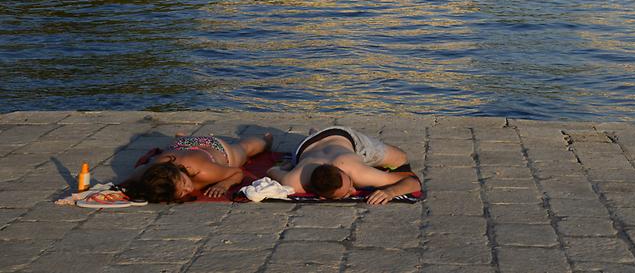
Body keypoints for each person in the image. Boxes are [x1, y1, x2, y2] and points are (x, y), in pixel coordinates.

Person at [267, 127, 421, 205]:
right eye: (348, 192)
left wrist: (391, 191)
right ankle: (315, 132)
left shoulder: (357, 172)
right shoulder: (294, 181)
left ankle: (317, 132)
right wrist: (286, 169)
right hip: (306, 145)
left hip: (344, 136)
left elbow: (413, 181)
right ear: (321, 197)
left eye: (349, 185)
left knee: (401, 158)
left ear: (340, 171)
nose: (354, 190)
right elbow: (272, 171)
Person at [120, 132, 272, 203]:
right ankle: (181, 136)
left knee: (244, 149)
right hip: (181, 145)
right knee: (182, 143)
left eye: (185, 184)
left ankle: (265, 138)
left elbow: (237, 172)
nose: (189, 189)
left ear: (180, 172)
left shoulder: (204, 172)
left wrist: (224, 184)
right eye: (182, 192)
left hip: (215, 148)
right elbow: (130, 179)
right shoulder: (149, 174)